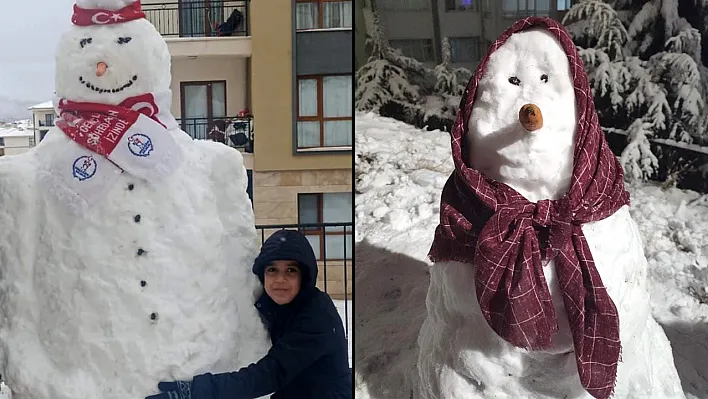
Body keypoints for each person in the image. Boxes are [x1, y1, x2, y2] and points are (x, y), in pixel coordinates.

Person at [146, 229, 352, 399]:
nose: (280, 279)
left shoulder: (316, 317)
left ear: (304, 276)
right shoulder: (285, 306)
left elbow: (270, 374)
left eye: (290, 270)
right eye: (272, 270)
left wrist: (196, 391)